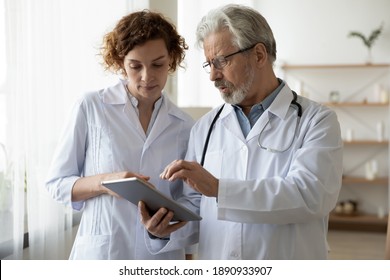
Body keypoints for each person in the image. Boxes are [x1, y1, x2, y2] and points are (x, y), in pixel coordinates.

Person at [140, 4, 343, 259]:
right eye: (209, 64)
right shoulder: (205, 127)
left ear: (258, 55)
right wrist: (163, 229)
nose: (213, 75)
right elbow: (197, 209)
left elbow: (310, 196)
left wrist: (219, 189)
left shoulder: (317, 121)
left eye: (221, 61)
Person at [45, 10, 197, 260]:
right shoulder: (91, 106)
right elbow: (57, 184)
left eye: (158, 64)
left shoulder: (185, 126)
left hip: (161, 257)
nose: (147, 77)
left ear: (171, 59)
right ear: (120, 62)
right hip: (104, 254)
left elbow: (189, 204)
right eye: (135, 66)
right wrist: (108, 181)